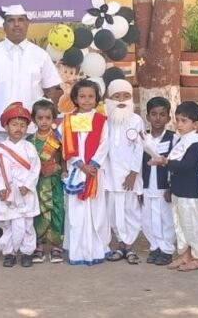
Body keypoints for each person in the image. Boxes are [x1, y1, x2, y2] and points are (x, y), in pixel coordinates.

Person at [0, 5, 63, 143]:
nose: (16, 24)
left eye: (21, 20)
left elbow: (51, 91)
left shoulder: (41, 55)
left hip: (32, 130)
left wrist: (48, 122)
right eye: (11, 20)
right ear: (4, 26)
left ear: (27, 24)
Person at [62, 79, 110, 266]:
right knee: (76, 213)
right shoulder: (67, 121)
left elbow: (104, 144)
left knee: (97, 212)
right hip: (77, 171)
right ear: (75, 98)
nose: (87, 100)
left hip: (95, 172)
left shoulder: (101, 120)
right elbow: (66, 145)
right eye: (82, 96)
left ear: (97, 99)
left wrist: (93, 164)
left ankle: (97, 249)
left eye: (91, 96)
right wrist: (81, 165)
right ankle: (78, 251)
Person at [0, 102, 41, 268]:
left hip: (25, 192)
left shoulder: (29, 148)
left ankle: (27, 252)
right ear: (6, 127)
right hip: (9, 193)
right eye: (14, 125)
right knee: (9, 224)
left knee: (27, 225)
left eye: (22, 125)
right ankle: (9, 253)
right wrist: (1, 189)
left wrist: (28, 185)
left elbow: (35, 169)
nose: (18, 129)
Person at [159, 102, 198, 272]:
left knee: (193, 225)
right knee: (180, 225)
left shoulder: (196, 142)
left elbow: (187, 165)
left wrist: (165, 162)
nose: (179, 124)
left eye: (184, 121)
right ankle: (184, 255)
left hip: (190, 191)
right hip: (178, 189)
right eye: (177, 120)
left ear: (195, 124)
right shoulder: (181, 140)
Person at [103, 79, 144, 265]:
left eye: (126, 96)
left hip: (130, 176)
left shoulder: (136, 120)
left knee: (131, 211)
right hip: (111, 176)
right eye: (116, 96)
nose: (121, 100)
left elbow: (139, 148)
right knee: (113, 211)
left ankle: (130, 245)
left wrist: (133, 173)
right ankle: (120, 245)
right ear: (109, 99)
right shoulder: (105, 121)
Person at [141, 97, 176, 266]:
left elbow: (174, 164)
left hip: (164, 187)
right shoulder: (143, 138)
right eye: (153, 114)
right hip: (147, 185)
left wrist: (171, 187)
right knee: (148, 219)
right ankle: (154, 246)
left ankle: (167, 249)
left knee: (166, 219)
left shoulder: (173, 138)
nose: (157, 118)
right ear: (147, 117)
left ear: (168, 118)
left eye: (162, 114)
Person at [30, 99, 65, 264]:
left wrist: (60, 169)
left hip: (54, 181)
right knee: (37, 212)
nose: (44, 122)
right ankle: (38, 245)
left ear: (53, 119)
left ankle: (56, 246)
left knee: (56, 210)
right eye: (40, 118)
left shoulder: (58, 139)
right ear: (33, 119)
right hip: (36, 183)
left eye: (48, 118)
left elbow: (64, 158)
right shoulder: (29, 141)